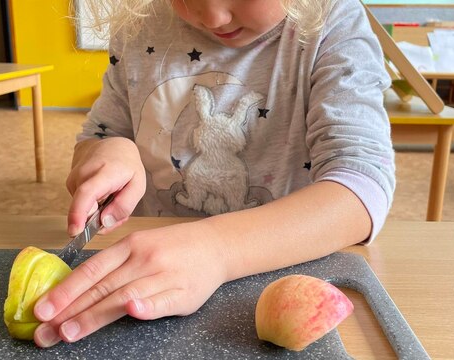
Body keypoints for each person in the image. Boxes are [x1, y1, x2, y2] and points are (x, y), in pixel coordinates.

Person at [33, 0, 395, 347]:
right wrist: (109, 151)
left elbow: (361, 188)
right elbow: (101, 134)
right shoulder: (141, 24)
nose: (213, 15)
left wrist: (216, 251)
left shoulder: (333, 25)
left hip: (275, 280)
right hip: (149, 281)